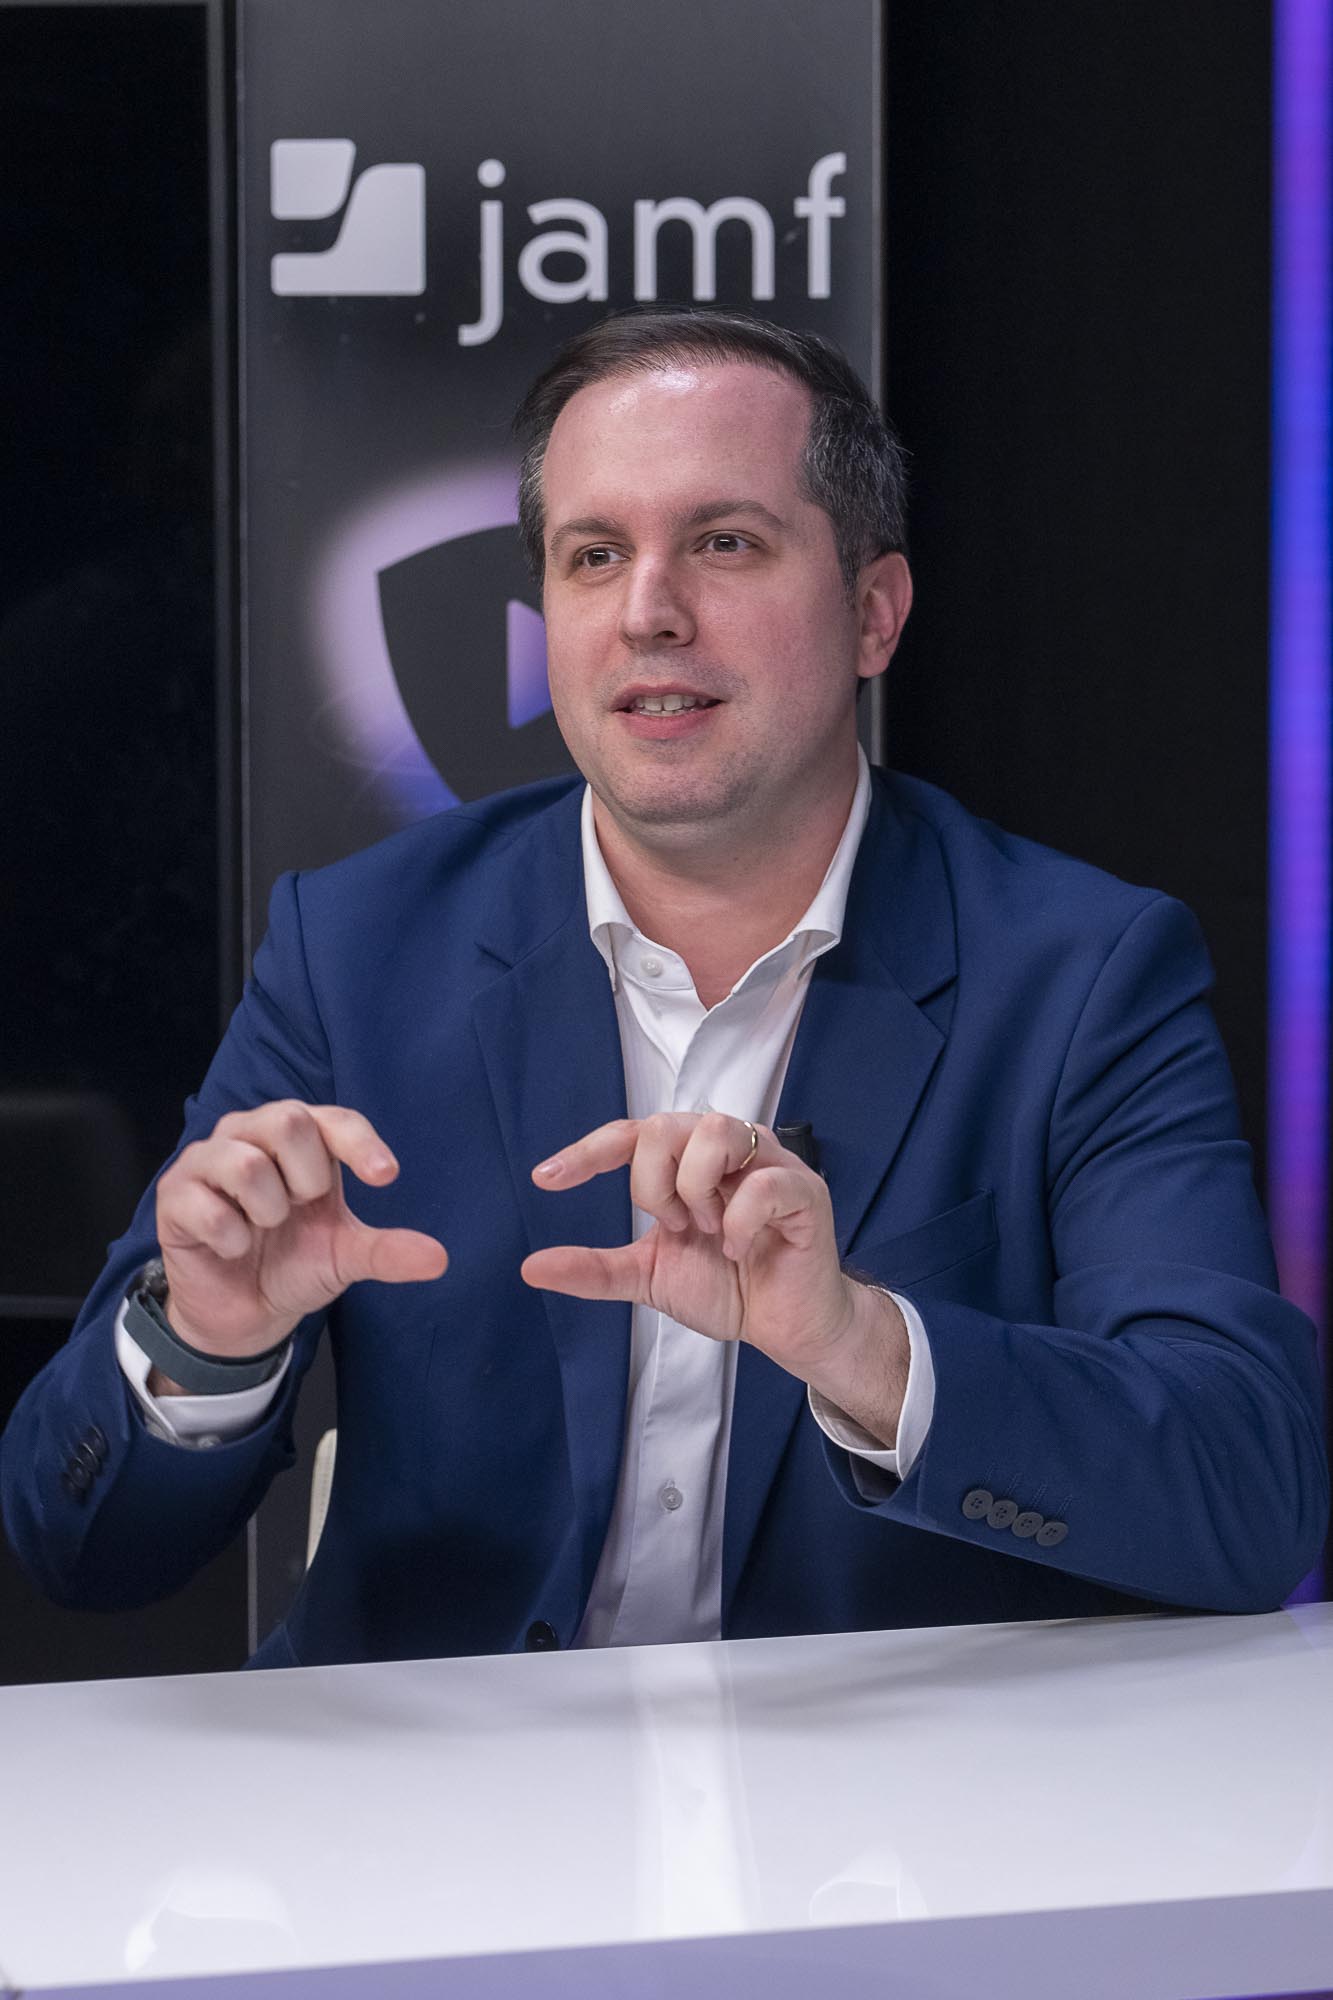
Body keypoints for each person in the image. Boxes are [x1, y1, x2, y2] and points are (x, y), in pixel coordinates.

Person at [2, 310, 1326, 1667]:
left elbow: (1248, 1497)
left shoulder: (1080, 972)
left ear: (874, 613)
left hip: (879, 1789)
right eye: (594, 556)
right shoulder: (358, 948)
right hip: (434, 1783)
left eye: (725, 542)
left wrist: (863, 1346)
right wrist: (209, 1345)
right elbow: (77, 1546)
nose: (648, 611)